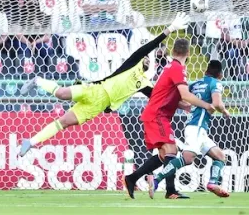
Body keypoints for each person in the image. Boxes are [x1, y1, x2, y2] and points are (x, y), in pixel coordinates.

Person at [17, 13, 195, 157]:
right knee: (61, 94)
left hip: (98, 106)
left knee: (63, 122)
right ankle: (37, 80)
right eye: (147, 57)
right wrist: (170, 29)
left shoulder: (143, 84)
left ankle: (30, 142)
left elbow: (160, 98)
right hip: (95, 90)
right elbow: (149, 46)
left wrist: (185, 106)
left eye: (150, 59)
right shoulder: (132, 64)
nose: (148, 59)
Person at [123, 38, 215, 200]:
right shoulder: (177, 69)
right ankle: (170, 191)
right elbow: (186, 95)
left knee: (164, 154)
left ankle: (132, 179)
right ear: (188, 53)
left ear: (173, 51)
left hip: (157, 114)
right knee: (171, 151)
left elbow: (166, 94)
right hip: (158, 115)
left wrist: (183, 106)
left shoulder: (169, 67)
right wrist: (206, 105)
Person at [148, 60, 230, 198]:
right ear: (220, 74)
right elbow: (217, 103)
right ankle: (156, 180)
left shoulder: (196, 84)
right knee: (187, 158)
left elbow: (178, 100)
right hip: (197, 127)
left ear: (205, 71)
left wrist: (187, 107)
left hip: (196, 127)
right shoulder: (216, 83)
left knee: (220, 156)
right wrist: (225, 111)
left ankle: (212, 183)